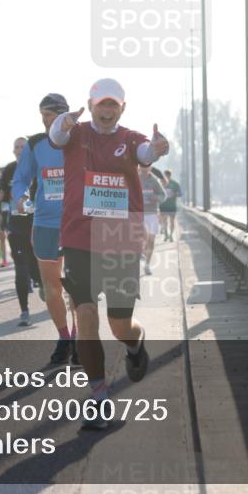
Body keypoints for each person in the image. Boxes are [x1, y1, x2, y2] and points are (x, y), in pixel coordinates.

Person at [49, 78, 170, 429]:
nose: (106, 110)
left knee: (120, 325)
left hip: (119, 239)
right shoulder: (75, 133)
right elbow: (56, 137)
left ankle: (136, 344)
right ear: (90, 105)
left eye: (112, 105)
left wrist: (156, 148)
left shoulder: (130, 139)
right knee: (86, 315)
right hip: (79, 237)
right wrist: (63, 122)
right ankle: (99, 397)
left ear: (122, 108)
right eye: (101, 103)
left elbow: (146, 153)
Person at [12, 93, 80, 365]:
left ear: (63, 115)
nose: (44, 122)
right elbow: (21, 179)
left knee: (77, 287)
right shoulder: (35, 144)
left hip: (77, 224)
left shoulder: (81, 140)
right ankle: (64, 338)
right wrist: (20, 197)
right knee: (52, 288)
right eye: (42, 117)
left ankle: (79, 336)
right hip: (44, 224)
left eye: (49, 116)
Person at [1, 136, 42, 325]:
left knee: (36, 268)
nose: (19, 150)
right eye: (16, 147)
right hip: (16, 228)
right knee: (21, 269)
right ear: (13, 151)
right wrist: (4, 224)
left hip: (38, 226)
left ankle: (43, 284)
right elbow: (3, 199)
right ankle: (24, 311)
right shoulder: (9, 170)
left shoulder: (40, 167)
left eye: (23, 147)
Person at [139, 165, 167, 276]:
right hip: (139, 214)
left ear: (150, 168)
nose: (144, 169)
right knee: (143, 237)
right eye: (142, 166)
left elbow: (163, 196)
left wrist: (156, 198)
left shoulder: (154, 181)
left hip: (152, 214)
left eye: (147, 167)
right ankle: (141, 252)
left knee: (151, 241)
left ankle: (147, 265)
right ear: (139, 167)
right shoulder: (135, 178)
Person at [159, 170, 181, 242]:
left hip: (172, 205)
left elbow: (180, 193)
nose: (166, 177)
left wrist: (175, 194)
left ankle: (171, 235)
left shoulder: (175, 184)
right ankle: (166, 234)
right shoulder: (160, 183)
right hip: (163, 205)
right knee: (164, 221)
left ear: (170, 175)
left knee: (172, 221)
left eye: (167, 175)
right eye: (165, 175)